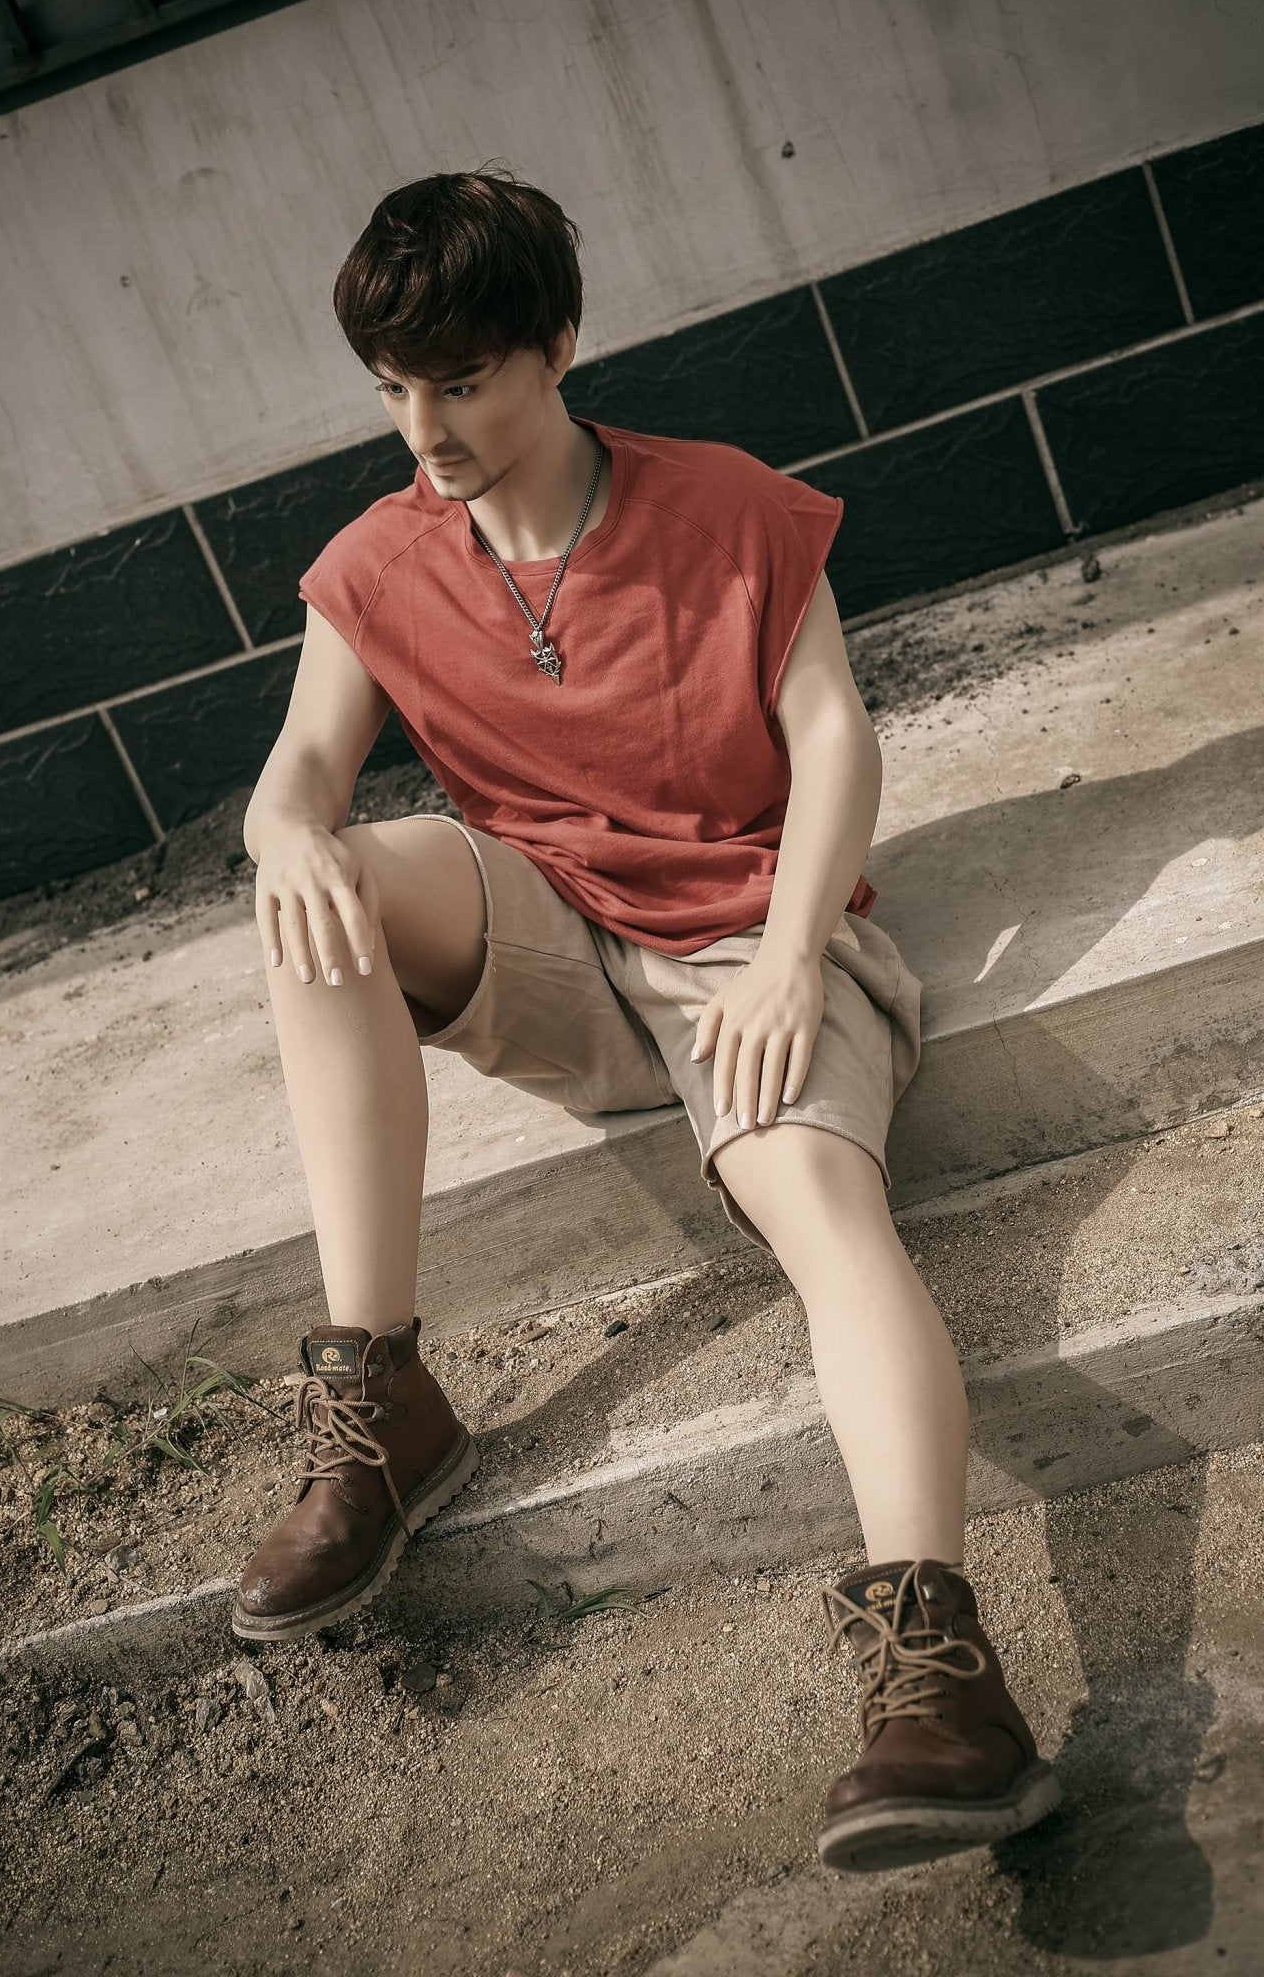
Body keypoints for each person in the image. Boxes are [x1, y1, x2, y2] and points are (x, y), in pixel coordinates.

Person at [234, 166, 1061, 1873]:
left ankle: (939, 1675)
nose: (427, 431)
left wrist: (789, 956)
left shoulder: (725, 508)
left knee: (817, 1209)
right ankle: (377, 1396)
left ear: (555, 346)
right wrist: (285, 829)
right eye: (393, 390)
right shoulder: (378, 563)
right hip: (552, 944)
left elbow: (831, 738)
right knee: (318, 884)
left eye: (461, 381)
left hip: (745, 950)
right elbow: (296, 777)